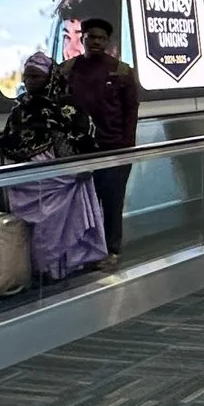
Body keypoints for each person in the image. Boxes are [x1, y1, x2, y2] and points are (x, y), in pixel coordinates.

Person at [0, 52, 108, 280]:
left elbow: (83, 134)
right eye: (26, 76)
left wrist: (79, 163)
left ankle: (62, 266)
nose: (29, 81)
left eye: (36, 76)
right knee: (38, 227)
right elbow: (11, 136)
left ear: (50, 78)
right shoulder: (21, 106)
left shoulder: (67, 105)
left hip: (61, 177)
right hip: (26, 178)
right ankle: (42, 269)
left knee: (57, 222)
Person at [63, 16, 141, 264]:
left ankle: (111, 250)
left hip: (115, 150)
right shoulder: (67, 70)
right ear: (82, 39)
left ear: (108, 41)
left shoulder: (121, 71)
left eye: (101, 38)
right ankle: (83, 251)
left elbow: (131, 111)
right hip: (79, 150)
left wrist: (128, 147)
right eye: (91, 37)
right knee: (82, 203)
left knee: (111, 201)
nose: (95, 42)